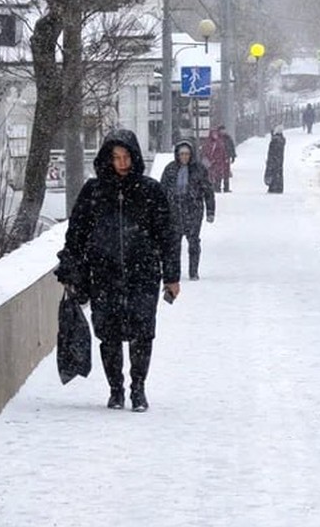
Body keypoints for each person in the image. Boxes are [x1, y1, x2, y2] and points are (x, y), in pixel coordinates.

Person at [55, 129, 180, 412]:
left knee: (142, 334)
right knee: (109, 335)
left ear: (134, 157)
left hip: (143, 274)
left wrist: (172, 277)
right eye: (116, 158)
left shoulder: (150, 191)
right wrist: (70, 270)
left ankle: (138, 388)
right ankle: (115, 390)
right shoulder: (94, 192)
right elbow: (75, 234)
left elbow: (167, 236)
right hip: (104, 274)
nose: (122, 163)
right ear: (107, 160)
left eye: (126, 157)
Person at [160, 140, 216, 281]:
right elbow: (161, 191)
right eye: (181, 154)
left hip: (193, 210)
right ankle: (175, 272)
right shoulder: (170, 169)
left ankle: (193, 271)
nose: (184, 157)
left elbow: (208, 191)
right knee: (174, 244)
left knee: (194, 242)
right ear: (177, 155)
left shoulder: (199, 169)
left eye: (187, 154)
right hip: (174, 211)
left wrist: (210, 211)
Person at [201, 126, 231, 192]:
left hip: (219, 162)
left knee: (219, 175)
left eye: (215, 133)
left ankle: (218, 187)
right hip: (212, 162)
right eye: (213, 134)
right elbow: (205, 152)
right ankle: (214, 187)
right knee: (212, 175)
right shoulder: (208, 143)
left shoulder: (220, 142)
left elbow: (224, 151)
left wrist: (225, 158)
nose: (215, 135)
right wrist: (210, 160)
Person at [264, 127, 286, 193]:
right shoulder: (281, 140)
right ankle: (279, 187)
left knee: (273, 172)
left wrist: (270, 160)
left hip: (274, 160)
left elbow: (271, 152)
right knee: (278, 173)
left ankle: (273, 187)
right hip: (279, 160)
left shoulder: (274, 141)